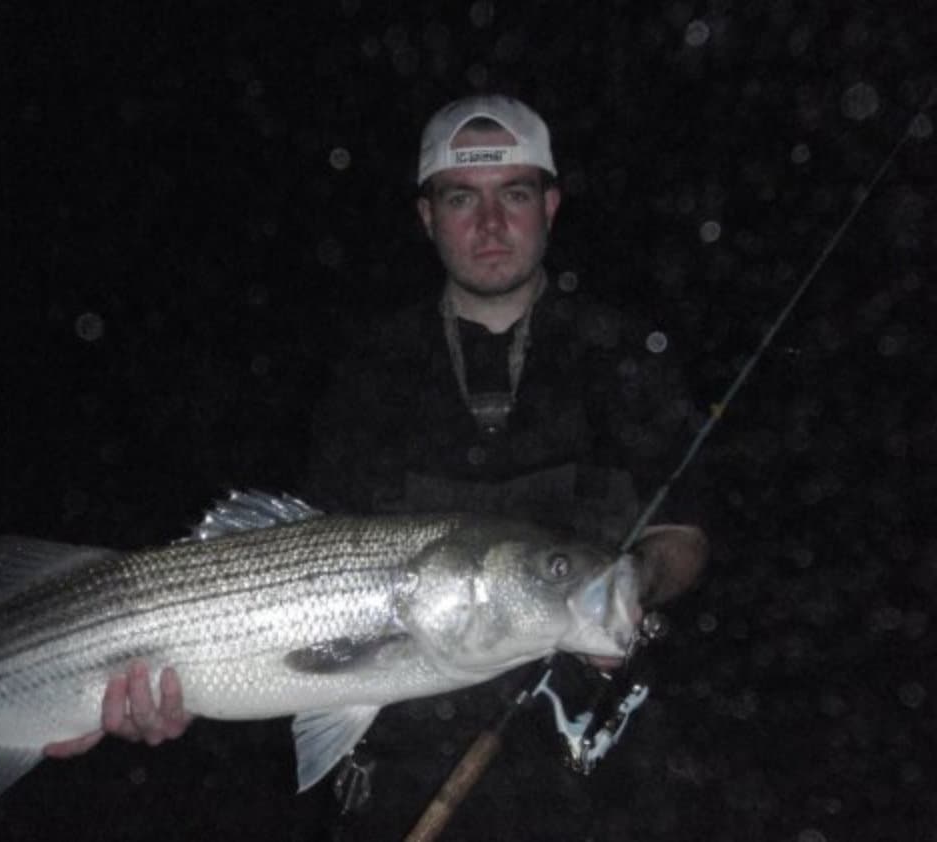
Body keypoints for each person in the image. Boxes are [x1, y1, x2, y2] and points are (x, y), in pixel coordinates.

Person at [44, 94, 707, 810]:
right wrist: (118, 694)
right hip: (401, 775)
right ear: (428, 216)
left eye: (513, 194)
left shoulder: (623, 354)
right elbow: (293, 569)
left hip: (590, 767)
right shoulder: (370, 369)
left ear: (550, 204)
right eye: (462, 198)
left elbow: (686, 534)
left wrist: (636, 582)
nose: (489, 223)